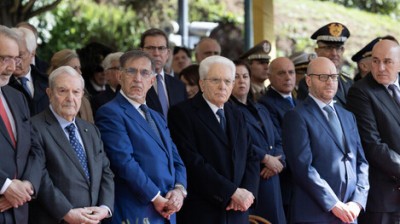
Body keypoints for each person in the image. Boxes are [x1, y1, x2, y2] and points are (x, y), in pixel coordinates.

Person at [96, 50, 187, 224]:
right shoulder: (110, 113)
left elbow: (176, 160)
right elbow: (123, 162)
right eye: (131, 71)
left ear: (152, 80)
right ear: (120, 76)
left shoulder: (157, 117)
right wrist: (156, 197)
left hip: (167, 212)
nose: (138, 78)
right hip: (136, 211)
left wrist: (179, 191)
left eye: (144, 73)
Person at [168, 55, 259, 224]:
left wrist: (247, 193)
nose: (222, 86)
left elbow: (251, 156)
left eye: (227, 81)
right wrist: (231, 192)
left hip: (238, 211)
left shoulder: (236, 113)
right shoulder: (182, 113)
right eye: (215, 80)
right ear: (202, 83)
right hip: (204, 211)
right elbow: (192, 162)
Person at [282, 57, 369, 223]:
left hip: (350, 214)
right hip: (316, 215)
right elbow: (303, 168)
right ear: (308, 80)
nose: (330, 82)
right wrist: (334, 204)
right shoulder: (296, 116)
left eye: (334, 77)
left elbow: (361, 162)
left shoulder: (348, 116)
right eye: (322, 77)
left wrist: (358, 202)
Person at [28, 66, 114, 224]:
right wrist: (66, 212)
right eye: (62, 91)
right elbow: (39, 175)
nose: (70, 98)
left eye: (76, 92)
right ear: (49, 93)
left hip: (93, 219)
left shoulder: (91, 130)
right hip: (56, 219)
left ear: (82, 94)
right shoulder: (34, 127)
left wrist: (104, 207)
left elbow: (105, 171)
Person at [347, 39, 400, 223]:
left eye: (388, 61)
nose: (381, 67)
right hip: (384, 199)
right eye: (376, 61)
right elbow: (372, 145)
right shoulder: (361, 91)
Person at [230, 59, 286, 224]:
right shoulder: (229, 111)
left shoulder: (261, 108)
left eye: (245, 76)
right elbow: (239, 143)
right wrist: (265, 158)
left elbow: (278, 139)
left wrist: (277, 160)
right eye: (236, 77)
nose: (242, 81)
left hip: (273, 178)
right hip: (253, 178)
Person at [0, 25, 42, 224]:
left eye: (15, 59)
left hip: (19, 211)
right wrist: (5, 186)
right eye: (3, 59)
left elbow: (35, 148)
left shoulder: (17, 97)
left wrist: (26, 185)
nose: (11, 67)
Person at [258, 57, 297, 222]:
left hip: (300, 182)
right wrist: (281, 161)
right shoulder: (265, 104)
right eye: (281, 73)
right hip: (284, 180)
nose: (288, 77)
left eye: (291, 72)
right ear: (269, 76)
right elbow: (279, 139)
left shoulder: (298, 101)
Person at [297, 22, 353, 107]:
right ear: (317, 50)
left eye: (338, 48)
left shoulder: (348, 82)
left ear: (343, 51)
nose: (334, 53)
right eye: (328, 48)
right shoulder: (309, 82)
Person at [140, 28, 187, 118]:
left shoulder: (179, 86)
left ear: (168, 53)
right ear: (141, 51)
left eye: (161, 48)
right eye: (150, 48)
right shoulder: (134, 83)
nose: (156, 53)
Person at [8, 27, 49, 116]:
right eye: (11, 55)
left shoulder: (47, 82)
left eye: (20, 55)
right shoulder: (3, 85)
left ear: (33, 52)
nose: (15, 61)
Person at [47, 49, 94, 123]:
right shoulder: (47, 97)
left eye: (79, 68)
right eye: (75, 68)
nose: (80, 72)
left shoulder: (85, 101)